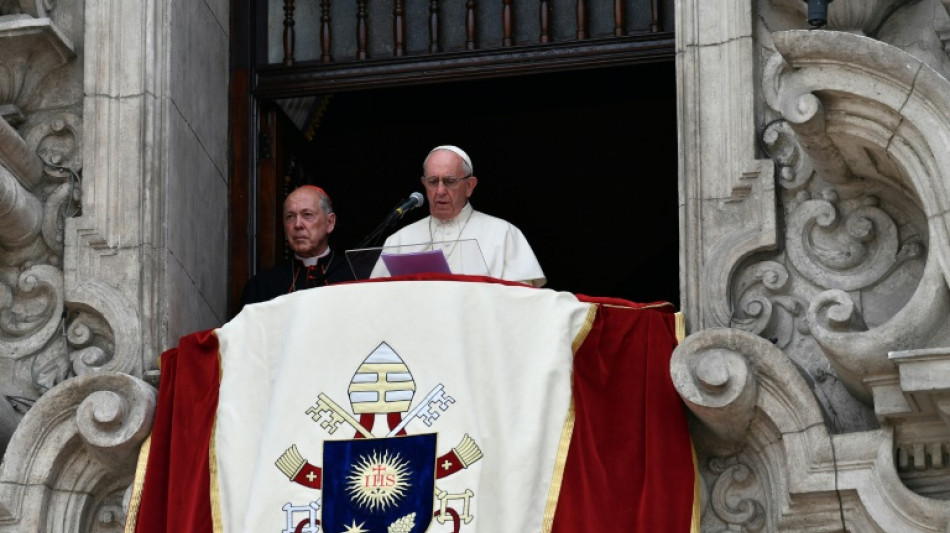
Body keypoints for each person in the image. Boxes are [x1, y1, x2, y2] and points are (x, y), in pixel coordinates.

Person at [375, 145, 546, 286]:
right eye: (433, 182)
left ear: (470, 186)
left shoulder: (504, 234)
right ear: (424, 184)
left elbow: (523, 301)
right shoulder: (399, 240)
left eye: (450, 181)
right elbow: (379, 299)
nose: (440, 191)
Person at [241, 185, 354, 307]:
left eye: (307, 215)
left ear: (330, 222)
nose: (298, 224)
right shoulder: (262, 286)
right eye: (290, 216)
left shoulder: (354, 277)